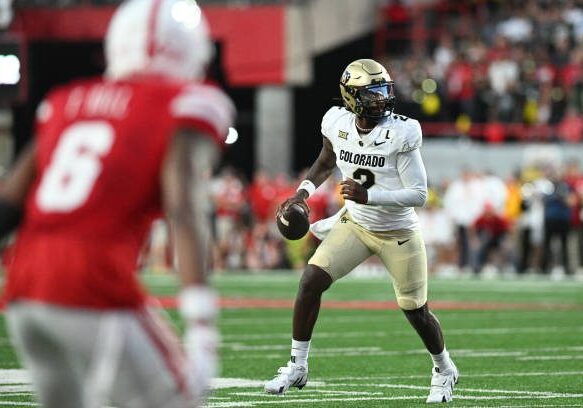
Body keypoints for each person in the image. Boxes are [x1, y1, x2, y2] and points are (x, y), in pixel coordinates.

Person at [0, 0, 235, 407]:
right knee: (181, 398)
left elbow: (8, 202)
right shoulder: (190, 101)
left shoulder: (65, 101)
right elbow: (183, 204)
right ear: (190, 48)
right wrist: (201, 321)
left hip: (23, 288)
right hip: (93, 283)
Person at [264, 59, 458, 403]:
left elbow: (419, 194)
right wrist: (302, 193)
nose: (382, 98)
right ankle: (297, 364)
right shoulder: (336, 121)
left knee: (416, 311)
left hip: (397, 230)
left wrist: (369, 195)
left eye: (385, 90)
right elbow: (326, 160)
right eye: (373, 93)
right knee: (310, 282)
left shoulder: (402, 131)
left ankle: (444, 368)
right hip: (355, 223)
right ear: (351, 96)